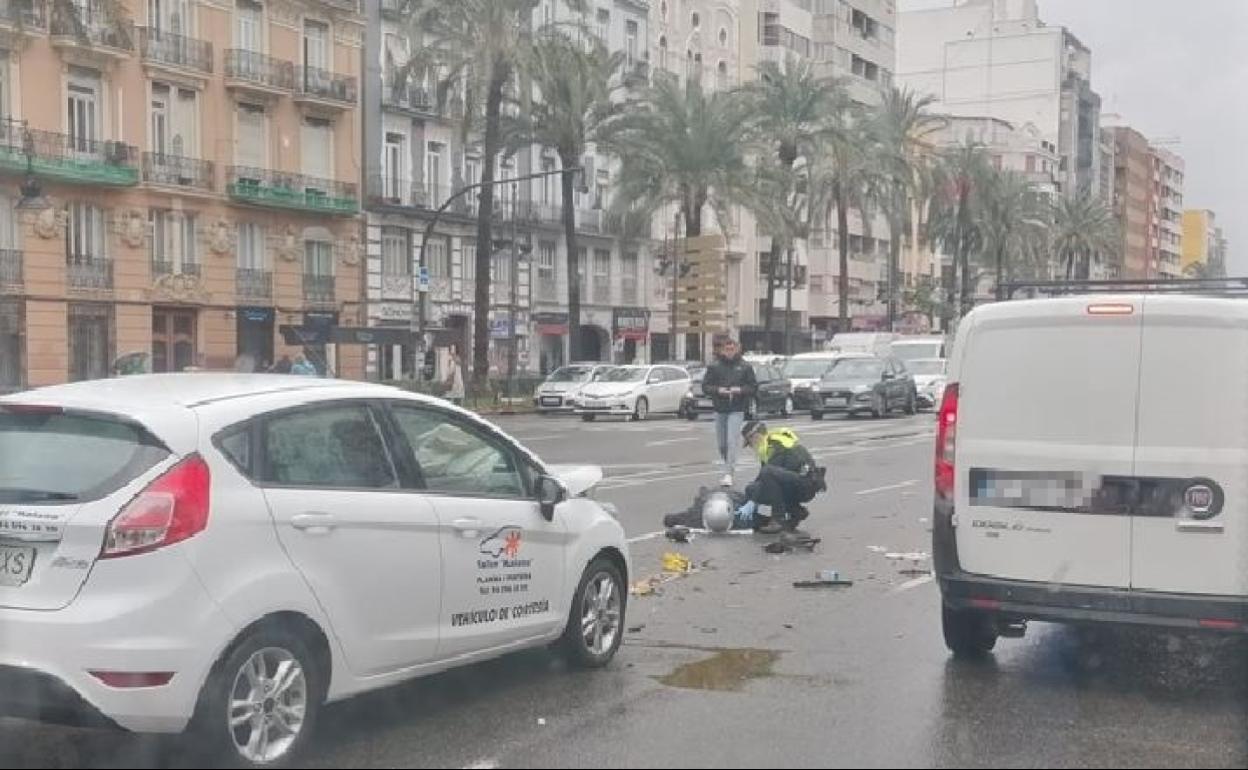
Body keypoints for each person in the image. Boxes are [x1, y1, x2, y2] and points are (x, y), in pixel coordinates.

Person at [737, 420, 827, 534]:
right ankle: (796, 512)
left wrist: (752, 499)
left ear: (756, 436)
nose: (751, 447)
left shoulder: (775, 446)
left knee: (765, 477)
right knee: (759, 486)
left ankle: (778, 520)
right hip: (801, 483)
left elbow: (767, 477)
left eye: (749, 442)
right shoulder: (769, 444)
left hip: (806, 485)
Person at [701, 337, 757, 486]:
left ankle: (728, 473)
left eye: (732, 349)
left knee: (732, 440)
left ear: (737, 349)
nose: (730, 352)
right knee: (722, 444)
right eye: (727, 349)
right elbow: (706, 386)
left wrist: (740, 390)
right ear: (722, 350)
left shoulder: (745, 367)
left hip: (737, 408)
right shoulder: (714, 366)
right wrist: (718, 390)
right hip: (720, 408)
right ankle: (728, 464)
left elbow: (753, 387)